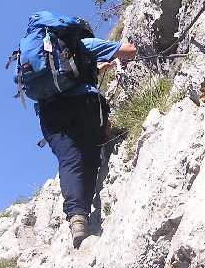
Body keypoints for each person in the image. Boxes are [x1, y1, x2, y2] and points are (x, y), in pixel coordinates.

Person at [37, 34, 136, 248]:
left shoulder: (42, 56)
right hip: (83, 105)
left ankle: (77, 217)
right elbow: (129, 51)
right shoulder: (83, 44)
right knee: (91, 156)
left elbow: (69, 79)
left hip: (49, 115)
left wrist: (97, 68)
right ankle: (109, 141)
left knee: (69, 160)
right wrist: (121, 53)